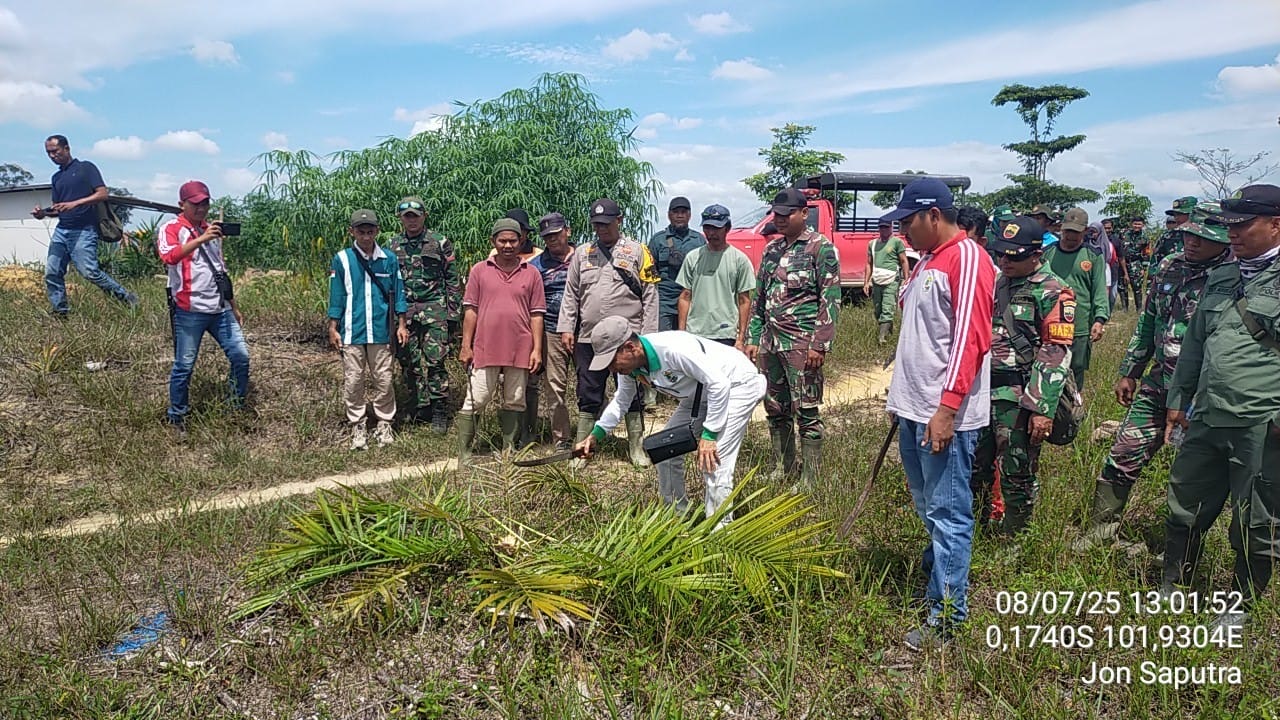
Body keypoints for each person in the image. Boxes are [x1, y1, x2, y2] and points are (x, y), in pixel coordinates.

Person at [881, 177, 995, 649]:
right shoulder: (927, 259)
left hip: (943, 414)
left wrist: (946, 410)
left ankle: (947, 617)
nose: (902, 231)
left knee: (948, 512)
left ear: (933, 215)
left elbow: (971, 340)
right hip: (915, 409)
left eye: (908, 221)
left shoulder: (967, 259)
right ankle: (937, 577)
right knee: (928, 505)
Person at [1161, 185, 1280, 628]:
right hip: (1208, 413)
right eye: (1228, 225)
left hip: (1262, 421)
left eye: (1242, 225)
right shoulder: (1224, 277)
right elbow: (1195, 344)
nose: (1231, 234)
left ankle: (1241, 605)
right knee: (1185, 501)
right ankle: (1175, 585)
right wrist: (1179, 398)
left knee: (1257, 516)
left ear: (1275, 225)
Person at [1075, 218, 1233, 550]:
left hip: (1202, 395)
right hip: (1158, 384)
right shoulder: (1169, 266)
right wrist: (1130, 370)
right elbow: (1148, 321)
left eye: (1202, 238)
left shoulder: (1233, 276)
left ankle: (1180, 552)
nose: (1192, 242)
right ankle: (1100, 533)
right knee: (1123, 453)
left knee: (1192, 476)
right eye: (1189, 235)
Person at [574, 316, 766, 524]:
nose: (611, 369)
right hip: (701, 394)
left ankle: (721, 530)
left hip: (737, 385)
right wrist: (595, 435)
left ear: (630, 347)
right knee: (664, 451)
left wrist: (709, 435)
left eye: (611, 361)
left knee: (713, 460)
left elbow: (719, 384)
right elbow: (621, 402)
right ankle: (677, 517)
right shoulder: (630, 369)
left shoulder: (673, 349)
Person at [971, 217, 1076, 533]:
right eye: (1002, 254)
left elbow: (1055, 354)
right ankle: (978, 526)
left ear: (1036, 254)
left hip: (1021, 397)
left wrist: (1040, 410)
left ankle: (1017, 536)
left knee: (1016, 468)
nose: (1005, 261)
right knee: (976, 465)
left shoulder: (1054, 291)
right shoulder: (998, 283)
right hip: (984, 392)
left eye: (1014, 256)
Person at [746, 188, 841, 489]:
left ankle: (810, 479)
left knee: (806, 411)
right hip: (771, 344)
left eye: (787, 215)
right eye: (777, 214)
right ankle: (783, 467)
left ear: (803, 214)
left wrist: (820, 344)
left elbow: (830, 299)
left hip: (802, 344)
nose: (781, 220)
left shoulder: (819, 248)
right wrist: (753, 336)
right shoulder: (772, 250)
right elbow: (760, 297)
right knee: (775, 407)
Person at [557, 198, 658, 467]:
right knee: (588, 392)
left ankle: (636, 448)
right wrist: (567, 326)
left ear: (619, 220)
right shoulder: (582, 253)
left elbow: (650, 295)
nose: (601, 229)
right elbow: (571, 293)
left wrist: (648, 337)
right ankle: (583, 449)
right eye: (596, 224)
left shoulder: (638, 251)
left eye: (606, 223)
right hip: (589, 337)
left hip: (627, 340)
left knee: (632, 393)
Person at [156, 180, 250, 431]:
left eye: (205, 203)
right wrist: (201, 238)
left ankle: (235, 407)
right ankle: (177, 416)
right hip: (189, 310)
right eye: (195, 204)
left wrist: (234, 305)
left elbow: (220, 270)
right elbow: (169, 256)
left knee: (241, 357)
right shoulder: (172, 228)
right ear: (182, 204)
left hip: (220, 309)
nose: (201, 208)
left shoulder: (213, 231)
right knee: (184, 365)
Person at [457, 218, 546, 461]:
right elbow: (470, 310)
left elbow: (536, 314)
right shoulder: (479, 270)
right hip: (486, 346)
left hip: (520, 346)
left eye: (513, 240)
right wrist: (466, 346)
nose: (507, 245)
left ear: (522, 241)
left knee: (515, 400)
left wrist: (537, 349)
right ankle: (465, 453)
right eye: (502, 240)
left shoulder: (532, 273)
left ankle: (509, 449)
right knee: (478, 397)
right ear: (493, 241)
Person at [326, 209, 409, 449]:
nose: (365, 236)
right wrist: (333, 326)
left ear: (377, 231)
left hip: (381, 331)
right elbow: (337, 295)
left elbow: (399, 293)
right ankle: (358, 424)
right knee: (353, 381)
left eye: (370, 231)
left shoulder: (389, 259)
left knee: (384, 379)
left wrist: (401, 324)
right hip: (352, 331)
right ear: (351, 231)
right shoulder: (341, 259)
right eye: (360, 231)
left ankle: (384, 422)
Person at [32, 134, 137, 316]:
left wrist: (76, 203)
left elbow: (102, 194)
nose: (52, 156)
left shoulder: (85, 168)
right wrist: (43, 214)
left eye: (55, 151)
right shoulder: (56, 177)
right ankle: (60, 311)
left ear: (67, 149)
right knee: (52, 271)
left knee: (89, 272)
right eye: (48, 153)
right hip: (62, 229)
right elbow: (59, 208)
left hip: (84, 229)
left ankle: (126, 297)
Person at [390, 196, 462, 433]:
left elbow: (452, 279)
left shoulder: (439, 242)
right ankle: (421, 406)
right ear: (401, 218)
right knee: (408, 359)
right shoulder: (392, 246)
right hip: (405, 311)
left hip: (434, 308)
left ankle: (440, 409)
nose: (412, 220)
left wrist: (453, 314)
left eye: (416, 215)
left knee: (435, 360)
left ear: (424, 216)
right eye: (407, 216)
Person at [1043, 208, 1109, 391]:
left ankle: (1074, 409)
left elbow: (1099, 289)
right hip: (1051, 322)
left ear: (1085, 231)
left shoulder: (1093, 256)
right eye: (1067, 231)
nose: (1070, 236)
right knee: (1049, 368)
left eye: (1076, 232)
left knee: (1076, 368)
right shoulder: (1047, 254)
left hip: (1079, 324)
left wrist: (1100, 319)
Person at [529, 212, 576, 450]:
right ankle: (562, 439)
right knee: (555, 388)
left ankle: (597, 432)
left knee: (592, 384)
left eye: (556, 234)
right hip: (551, 330)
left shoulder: (586, 257)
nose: (553, 240)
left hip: (584, 330)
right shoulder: (535, 267)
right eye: (547, 237)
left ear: (567, 231)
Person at [676, 204, 754, 348]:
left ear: (727, 228)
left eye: (717, 228)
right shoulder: (693, 257)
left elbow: (744, 300)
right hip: (696, 332)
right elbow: (685, 296)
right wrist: (682, 334)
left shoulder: (739, 260)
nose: (711, 233)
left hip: (726, 333)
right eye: (707, 228)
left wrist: (741, 338)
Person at [648, 197, 706, 332]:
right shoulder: (658, 240)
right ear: (669, 215)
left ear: (689, 215)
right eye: (676, 212)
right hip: (664, 302)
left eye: (683, 212)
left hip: (691, 301)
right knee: (664, 344)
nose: (680, 215)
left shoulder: (698, 240)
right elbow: (650, 274)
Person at [862, 219, 910, 344]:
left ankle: (881, 338)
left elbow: (904, 260)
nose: (884, 230)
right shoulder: (872, 244)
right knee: (878, 310)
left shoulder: (896, 242)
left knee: (887, 308)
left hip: (891, 279)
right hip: (877, 279)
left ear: (891, 227)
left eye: (886, 227)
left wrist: (906, 278)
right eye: (882, 227)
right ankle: (889, 331)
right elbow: (868, 263)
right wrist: (866, 282)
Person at [1147, 196, 1197, 279]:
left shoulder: (1205, 237)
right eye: (1175, 214)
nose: (1176, 218)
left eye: (1180, 214)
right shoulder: (1168, 237)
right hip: (1172, 281)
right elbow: (1155, 261)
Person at [1121, 216, 1149, 309]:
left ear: (1143, 225)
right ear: (1131, 224)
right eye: (1135, 224)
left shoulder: (1145, 237)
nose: (1137, 226)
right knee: (1122, 286)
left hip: (1136, 263)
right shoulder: (1124, 234)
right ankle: (1124, 309)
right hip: (1123, 262)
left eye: (1139, 224)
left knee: (1137, 287)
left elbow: (1146, 253)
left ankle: (1139, 308)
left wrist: (1143, 268)